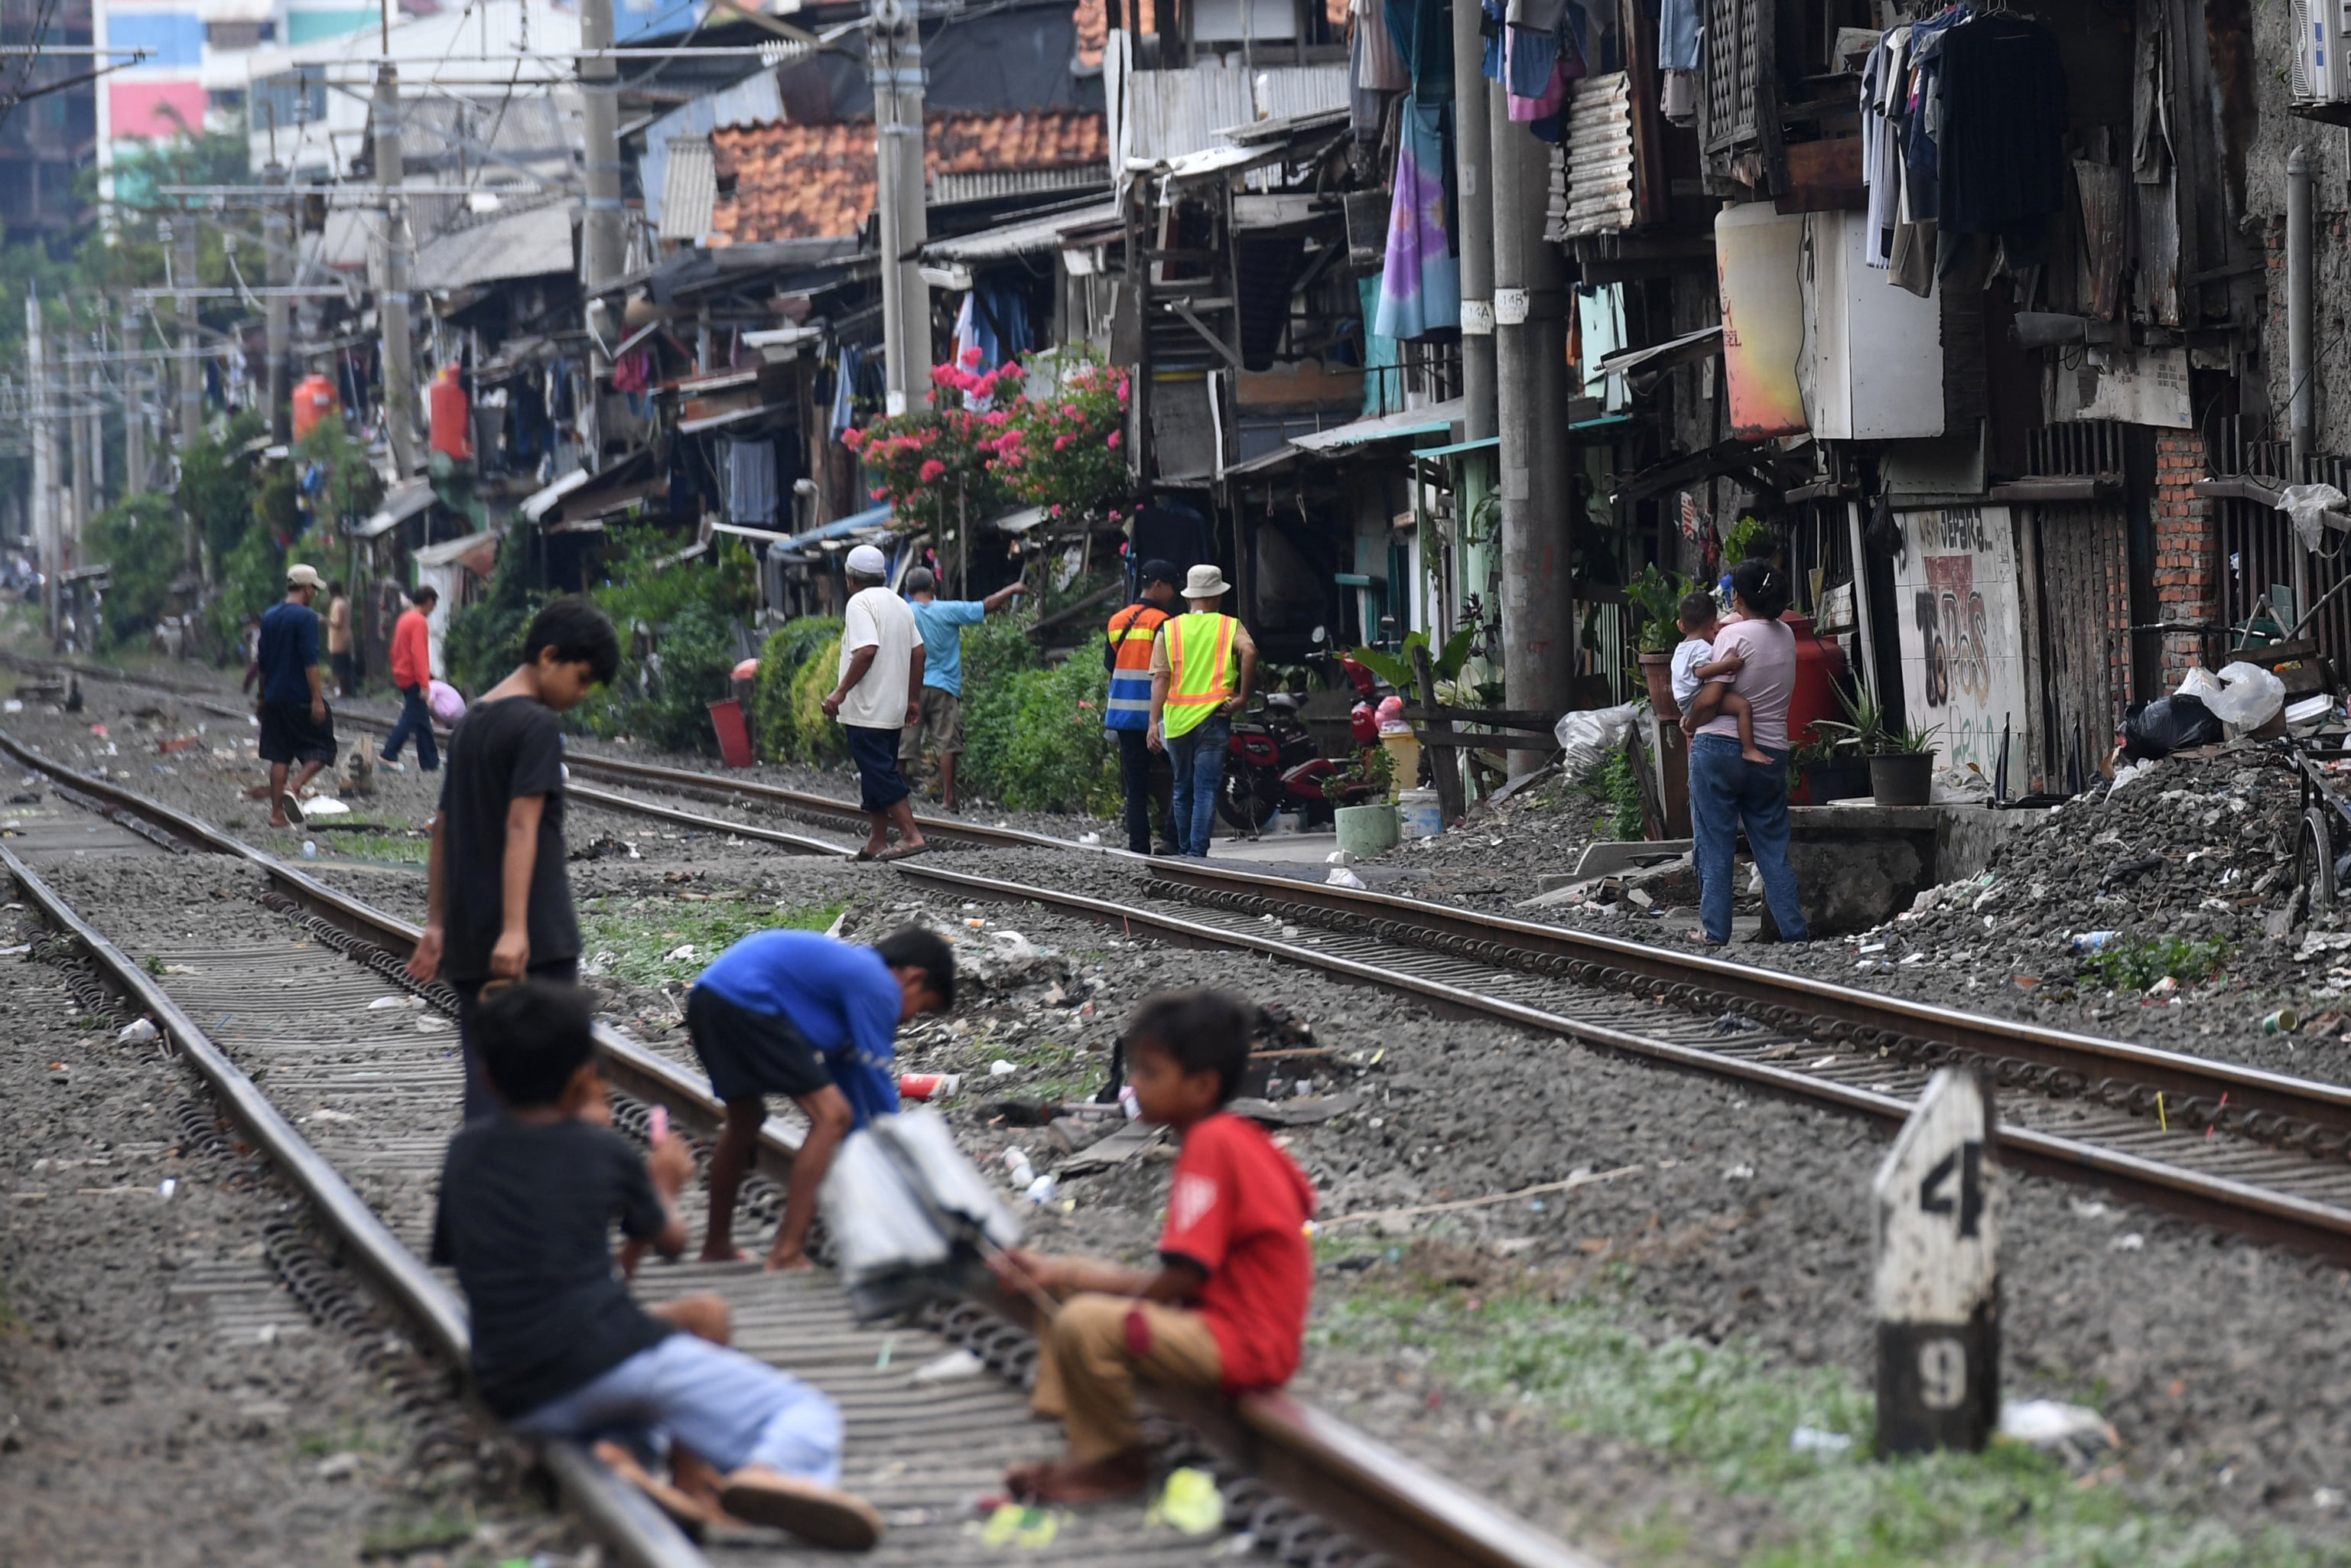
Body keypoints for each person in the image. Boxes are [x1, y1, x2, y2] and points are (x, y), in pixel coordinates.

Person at [431, 981, 883, 1547]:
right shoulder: (601, 1151)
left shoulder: (465, 1154)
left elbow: (467, 1259)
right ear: (580, 1080)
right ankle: (764, 1476)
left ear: (490, 1079)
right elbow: (671, 1240)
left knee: (678, 1349)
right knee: (805, 1412)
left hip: (517, 1391)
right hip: (606, 1358)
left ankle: (636, 1470)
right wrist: (664, 1182)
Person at [990, 990, 1315, 1502]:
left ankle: (1115, 1465)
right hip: (1235, 1326)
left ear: (1202, 1085)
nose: (1134, 1086)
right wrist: (1069, 1274)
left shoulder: (1210, 1145)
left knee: (1084, 1319)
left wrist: (1085, 1288)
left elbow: (1180, 1279)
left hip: (1243, 1341)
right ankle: (1077, 1431)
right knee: (1073, 1287)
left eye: (1149, 1073)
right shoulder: (1235, 1138)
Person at [408, 596, 619, 1121]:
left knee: (487, 1080)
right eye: (583, 677)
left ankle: (485, 1186)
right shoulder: (536, 726)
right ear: (549, 656)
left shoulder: (474, 721)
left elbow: (444, 830)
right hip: (535, 942)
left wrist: (436, 925)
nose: (582, 693)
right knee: (554, 1085)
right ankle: (537, 1192)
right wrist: (516, 929)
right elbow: (522, 825)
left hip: (469, 936)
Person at [687, 926, 955, 1270]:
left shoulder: (848, 986)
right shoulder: (879, 984)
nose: (907, 1020)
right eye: (918, 1010)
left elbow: (852, 1085)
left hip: (710, 999)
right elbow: (876, 1089)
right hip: (748, 1001)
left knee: (747, 1119)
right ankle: (786, 1254)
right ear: (914, 979)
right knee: (831, 1117)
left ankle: (716, 1246)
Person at [1680, 558, 1809, 947]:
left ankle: (1716, 933)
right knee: (1772, 847)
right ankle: (1794, 933)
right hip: (1770, 750)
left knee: (1715, 842)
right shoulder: (1786, 634)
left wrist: (1691, 721)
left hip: (1718, 747)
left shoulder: (1730, 639)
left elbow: (1713, 697)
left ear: (1737, 595)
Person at [821, 543, 928, 861]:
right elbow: (919, 653)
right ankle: (877, 841)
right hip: (892, 707)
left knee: (879, 772)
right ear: (882, 576)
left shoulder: (859, 604)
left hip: (866, 709)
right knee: (875, 772)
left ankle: (911, 835)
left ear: (851, 579)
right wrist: (912, 700)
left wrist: (839, 692)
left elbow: (866, 650)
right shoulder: (899, 603)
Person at [898, 566, 1029, 813]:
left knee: (904, 745)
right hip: (944, 687)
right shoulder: (948, 610)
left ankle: (894, 799)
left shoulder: (903, 614)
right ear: (933, 587)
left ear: (907, 590)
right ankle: (949, 799)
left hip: (910, 688)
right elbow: (985, 606)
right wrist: (1012, 589)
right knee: (947, 742)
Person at [1148, 565, 1257, 857]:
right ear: (1218, 597)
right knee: (1206, 789)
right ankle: (1198, 854)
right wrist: (1242, 697)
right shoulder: (1229, 626)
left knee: (1182, 787)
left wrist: (1152, 723)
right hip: (1215, 718)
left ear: (1189, 598)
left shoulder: (1169, 630)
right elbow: (1249, 652)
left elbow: (1161, 677)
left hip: (1178, 721)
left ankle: (1185, 853)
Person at [1104, 560, 1182, 855]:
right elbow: (1168, 670)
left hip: (1124, 718)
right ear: (1159, 586)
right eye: (1172, 587)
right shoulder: (1163, 622)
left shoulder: (1116, 621)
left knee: (1135, 789)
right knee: (1181, 775)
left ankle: (1138, 849)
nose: (1174, 594)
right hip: (1156, 718)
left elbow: (1110, 666)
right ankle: (1171, 840)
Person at [252, 564, 337, 829]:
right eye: (314, 589)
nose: (315, 593)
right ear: (308, 588)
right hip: (299, 696)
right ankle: (295, 785)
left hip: (275, 697)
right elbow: (310, 661)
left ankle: (276, 815)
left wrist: (262, 698)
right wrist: (316, 699)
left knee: (280, 755)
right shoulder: (306, 617)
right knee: (325, 748)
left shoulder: (269, 616)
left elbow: (262, 662)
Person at [1671, 590, 1766, 766]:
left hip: (1684, 704)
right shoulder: (1702, 648)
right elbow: (1701, 672)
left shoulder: (1680, 649)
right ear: (1714, 624)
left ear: (1681, 626)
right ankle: (1749, 749)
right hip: (1696, 700)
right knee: (1743, 707)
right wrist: (1728, 664)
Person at [382, 584, 441, 773]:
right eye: (434, 605)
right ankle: (388, 754)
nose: (433, 610)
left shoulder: (404, 618)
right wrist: (425, 683)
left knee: (422, 720)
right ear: (429, 601)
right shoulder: (418, 621)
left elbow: (395, 648)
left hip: (403, 673)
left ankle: (430, 762)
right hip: (412, 677)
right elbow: (419, 654)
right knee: (411, 717)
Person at [324, 579, 355, 697]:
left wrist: (325, 620)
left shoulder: (338, 604)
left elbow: (337, 622)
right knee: (344, 666)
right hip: (346, 638)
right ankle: (346, 690)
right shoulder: (346, 601)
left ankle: (343, 692)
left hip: (338, 640)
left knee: (339, 667)